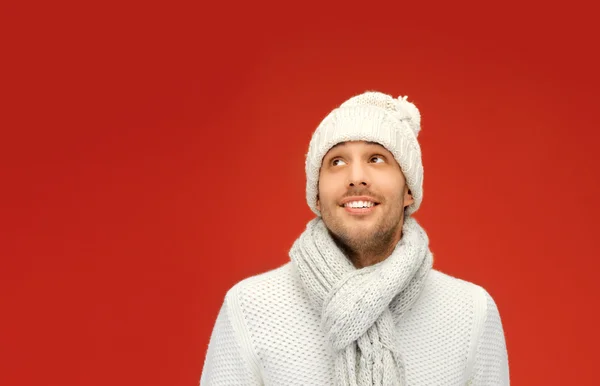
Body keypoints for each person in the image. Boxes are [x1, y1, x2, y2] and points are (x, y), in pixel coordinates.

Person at [200, 91, 510, 385]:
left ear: (409, 190)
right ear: (317, 197)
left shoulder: (471, 311)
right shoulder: (251, 307)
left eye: (377, 159)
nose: (356, 176)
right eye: (337, 162)